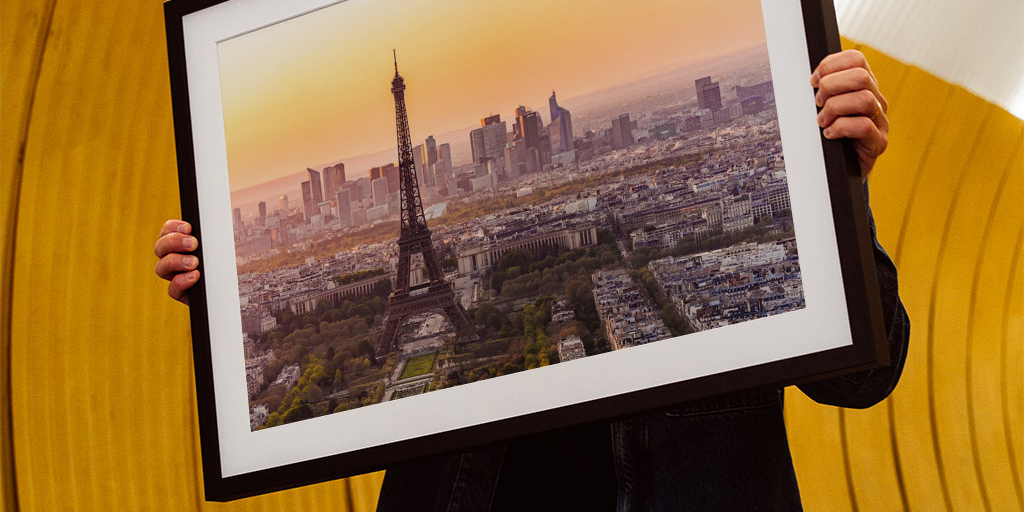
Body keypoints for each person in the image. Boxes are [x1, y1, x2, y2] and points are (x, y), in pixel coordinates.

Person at [155, 50, 908, 511]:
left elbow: (864, 376)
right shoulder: (445, 245)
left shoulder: (777, 177)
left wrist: (838, 185)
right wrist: (233, 293)